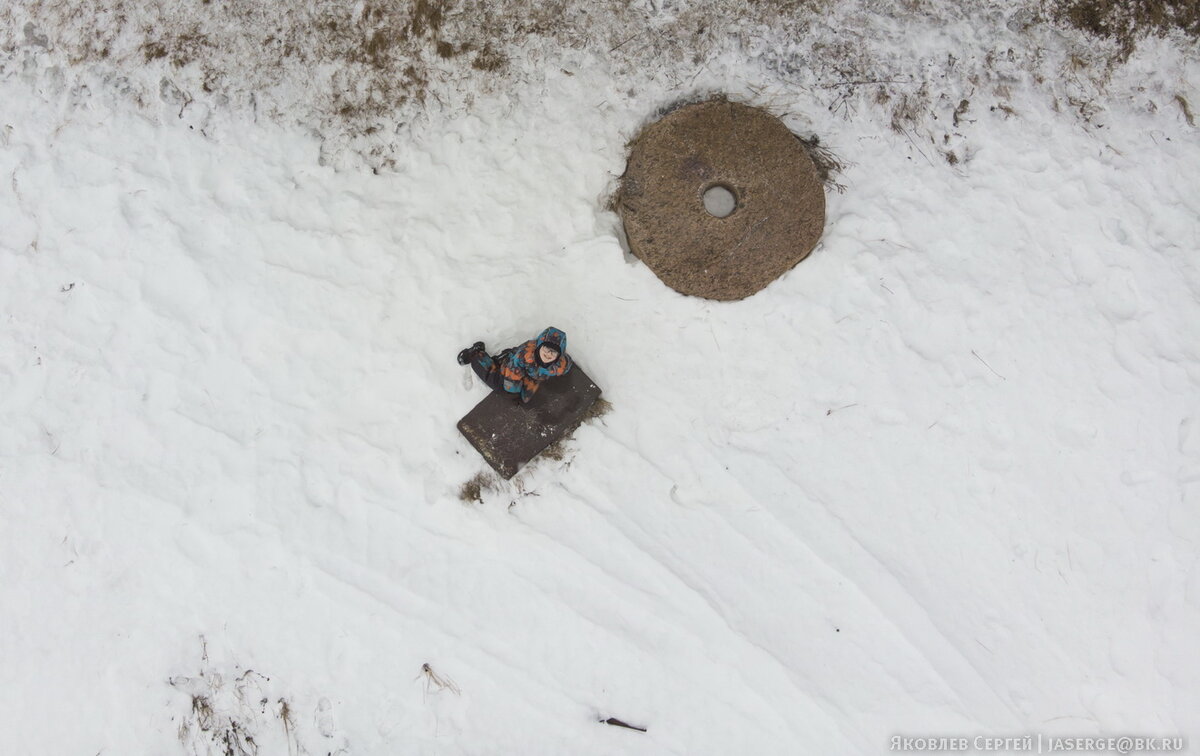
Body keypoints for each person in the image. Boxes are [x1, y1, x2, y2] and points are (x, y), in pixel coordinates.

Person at [458, 327, 573, 404]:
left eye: (553, 352)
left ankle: (504, 357)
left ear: (559, 355)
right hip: (515, 367)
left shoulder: (558, 365)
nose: (548, 354)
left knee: (526, 399)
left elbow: (566, 365)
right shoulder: (524, 357)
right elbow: (513, 376)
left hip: (531, 374)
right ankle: (476, 354)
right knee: (499, 385)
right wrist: (512, 392)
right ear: (539, 346)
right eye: (546, 348)